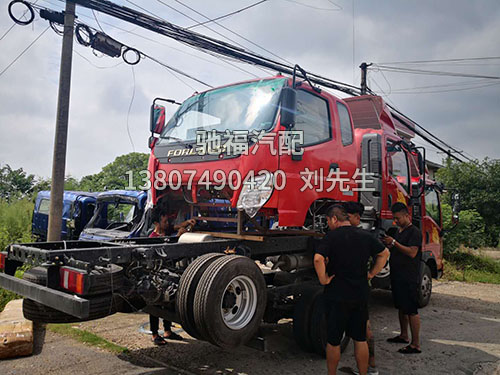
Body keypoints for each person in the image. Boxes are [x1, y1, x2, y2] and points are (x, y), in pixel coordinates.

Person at [314, 204, 390, 375]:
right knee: (359, 338)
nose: (328, 224)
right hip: (360, 294)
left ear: (334, 219)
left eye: (328, 221)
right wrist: (371, 273)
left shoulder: (331, 237)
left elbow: (318, 259)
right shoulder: (365, 236)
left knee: (333, 341)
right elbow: (384, 253)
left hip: (337, 294)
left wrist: (323, 279)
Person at [148, 205, 195, 345]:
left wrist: (188, 223)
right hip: (157, 275)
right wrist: (178, 237)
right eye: (164, 222)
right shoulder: (153, 238)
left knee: (168, 302)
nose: (167, 224)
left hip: (169, 274)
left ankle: (167, 330)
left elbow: (177, 226)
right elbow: (167, 252)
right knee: (156, 304)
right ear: (156, 223)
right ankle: (155, 334)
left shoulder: (166, 230)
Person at [381, 202, 423, 354]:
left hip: (409, 276)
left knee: (411, 310)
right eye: (394, 218)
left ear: (407, 215)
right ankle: (404, 335)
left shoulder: (415, 232)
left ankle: (416, 344)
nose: (396, 221)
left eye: (398, 218)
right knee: (401, 307)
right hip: (397, 275)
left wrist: (394, 242)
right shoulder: (399, 231)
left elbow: (412, 252)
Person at [343, 202, 378, 375]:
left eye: (347, 217)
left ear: (357, 217)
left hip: (357, 289)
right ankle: (370, 367)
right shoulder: (364, 235)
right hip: (360, 288)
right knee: (363, 328)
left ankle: (371, 367)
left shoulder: (362, 236)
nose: (345, 220)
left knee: (364, 329)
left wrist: (371, 273)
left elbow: (383, 254)